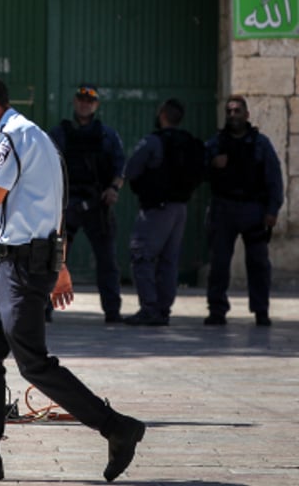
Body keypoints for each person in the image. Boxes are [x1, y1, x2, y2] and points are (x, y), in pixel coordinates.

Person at [0, 71, 144, 482]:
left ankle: (117, 428)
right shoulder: (36, 136)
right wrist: (60, 261)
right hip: (15, 264)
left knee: (34, 365)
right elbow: (55, 199)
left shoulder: (10, 137)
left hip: (23, 267)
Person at [203, 95, 284, 327]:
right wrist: (212, 164)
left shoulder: (261, 144)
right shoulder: (215, 144)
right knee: (219, 264)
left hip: (253, 210)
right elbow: (198, 170)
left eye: (237, 111)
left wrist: (272, 210)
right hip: (223, 209)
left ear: (247, 115)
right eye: (229, 111)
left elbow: (274, 179)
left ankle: (261, 310)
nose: (233, 115)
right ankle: (217, 310)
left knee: (258, 264)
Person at [48, 83, 126, 323]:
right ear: (74, 102)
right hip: (66, 206)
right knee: (54, 259)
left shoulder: (107, 135)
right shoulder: (59, 133)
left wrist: (113, 189)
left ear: (96, 105)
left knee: (107, 261)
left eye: (89, 101)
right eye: (81, 99)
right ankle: (43, 309)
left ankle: (112, 311)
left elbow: (120, 167)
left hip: (96, 205)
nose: (84, 104)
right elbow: (46, 165)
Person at [123, 99, 203, 326]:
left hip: (156, 209)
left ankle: (149, 308)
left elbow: (131, 169)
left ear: (162, 115)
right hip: (180, 208)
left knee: (142, 256)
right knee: (169, 260)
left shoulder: (153, 142)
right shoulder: (188, 142)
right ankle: (163, 310)